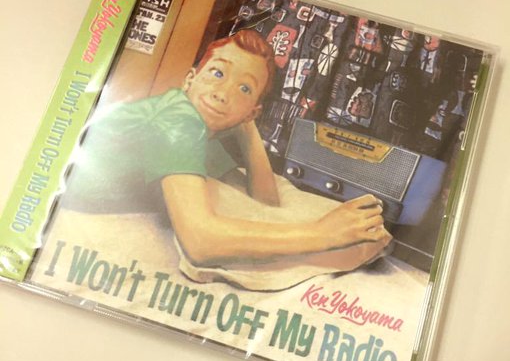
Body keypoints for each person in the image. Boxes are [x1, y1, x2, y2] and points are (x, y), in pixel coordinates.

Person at [65, 29, 391, 267]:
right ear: (190, 79)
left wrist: (246, 125)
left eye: (244, 88)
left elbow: (264, 200)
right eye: (217, 73)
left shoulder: (204, 133)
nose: (222, 93)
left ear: (253, 112)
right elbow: (200, 242)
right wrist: (322, 234)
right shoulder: (179, 118)